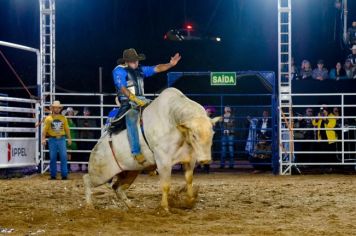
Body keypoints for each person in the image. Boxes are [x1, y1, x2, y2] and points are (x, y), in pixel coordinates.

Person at [113, 48, 181, 164]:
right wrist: (134, 99)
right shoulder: (119, 71)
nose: (135, 63)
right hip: (128, 102)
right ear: (126, 61)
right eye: (132, 61)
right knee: (131, 118)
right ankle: (136, 152)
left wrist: (170, 64)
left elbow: (157, 68)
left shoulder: (140, 69)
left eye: (136, 60)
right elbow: (122, 88)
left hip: (142, 99)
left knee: (161, 109)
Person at [41, 101, 72, 180]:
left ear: (60, 108)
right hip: (52, 139)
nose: (57, 109)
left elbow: (67, 129)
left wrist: (69, 138)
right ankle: (53, 175)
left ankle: (64, 175)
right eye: (55, 107)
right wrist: (43, 138)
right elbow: (44, 130)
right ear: (52, 108)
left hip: (61, 139)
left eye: (58, 108)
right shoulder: (48, 118)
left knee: (63, 157)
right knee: (53, 157)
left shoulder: (63, 118)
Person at [77, 107, 97, 172]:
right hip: (82, 138)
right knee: (81, 153)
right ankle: (80, 166)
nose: (86, 113)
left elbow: (95, 127)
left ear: (89, 112)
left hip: (90, 138)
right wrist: (87, 126)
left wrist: (87, 126)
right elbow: (79, 127)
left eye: (87, 111)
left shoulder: (92, 119)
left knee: (89, 153)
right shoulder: (80, 119)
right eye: (85, 111)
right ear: (83, 112)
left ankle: (88, 167)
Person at [62, 107, 78, 172]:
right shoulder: (66, 120)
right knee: (67, 152)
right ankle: (66, 167)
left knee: (69, 153)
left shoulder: (73, 121)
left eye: (72, 112)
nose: (71, 113)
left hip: (72, 137)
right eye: (69, 112)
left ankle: (68, 167)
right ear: (67, 113)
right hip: (67, 137)